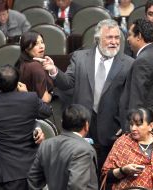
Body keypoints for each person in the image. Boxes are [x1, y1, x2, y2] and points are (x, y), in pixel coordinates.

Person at [42, 19, 134, 170]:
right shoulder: (79, 57)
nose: (114, 42)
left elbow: (130, 98)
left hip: (112, 129)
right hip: (82, 126)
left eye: (117, 38)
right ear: (98, 38)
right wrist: (53, 71)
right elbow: (67, 83)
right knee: (82, 175)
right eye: (109, 37)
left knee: (107, 176)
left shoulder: (129, 63)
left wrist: (123, 125)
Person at [101, 108, 153, 190]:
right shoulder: (122, 143)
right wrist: (123, 170)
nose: (133, 128)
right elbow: (106, 175)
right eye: (131, 124)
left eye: (138, 125)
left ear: (150, 126)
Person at [28, 104, 98, 190]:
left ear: (62, 123)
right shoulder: (84, 149)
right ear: (86, 125)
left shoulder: (46, 145)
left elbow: (33, 179)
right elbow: (76, 187)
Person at [120, 18, 153, 139]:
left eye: (130, 35)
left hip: (144, 130)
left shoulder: (143, 60)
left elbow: (137, 99)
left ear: (139, 36)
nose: (128, 39)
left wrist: (130, 128)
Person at [15, 31, 53, 103]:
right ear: (26, 48)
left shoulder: (22, 62)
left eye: (42, 42)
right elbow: (45, 99)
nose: (41, 46)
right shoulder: (36, 67)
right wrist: (52, 94)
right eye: (36, 44)